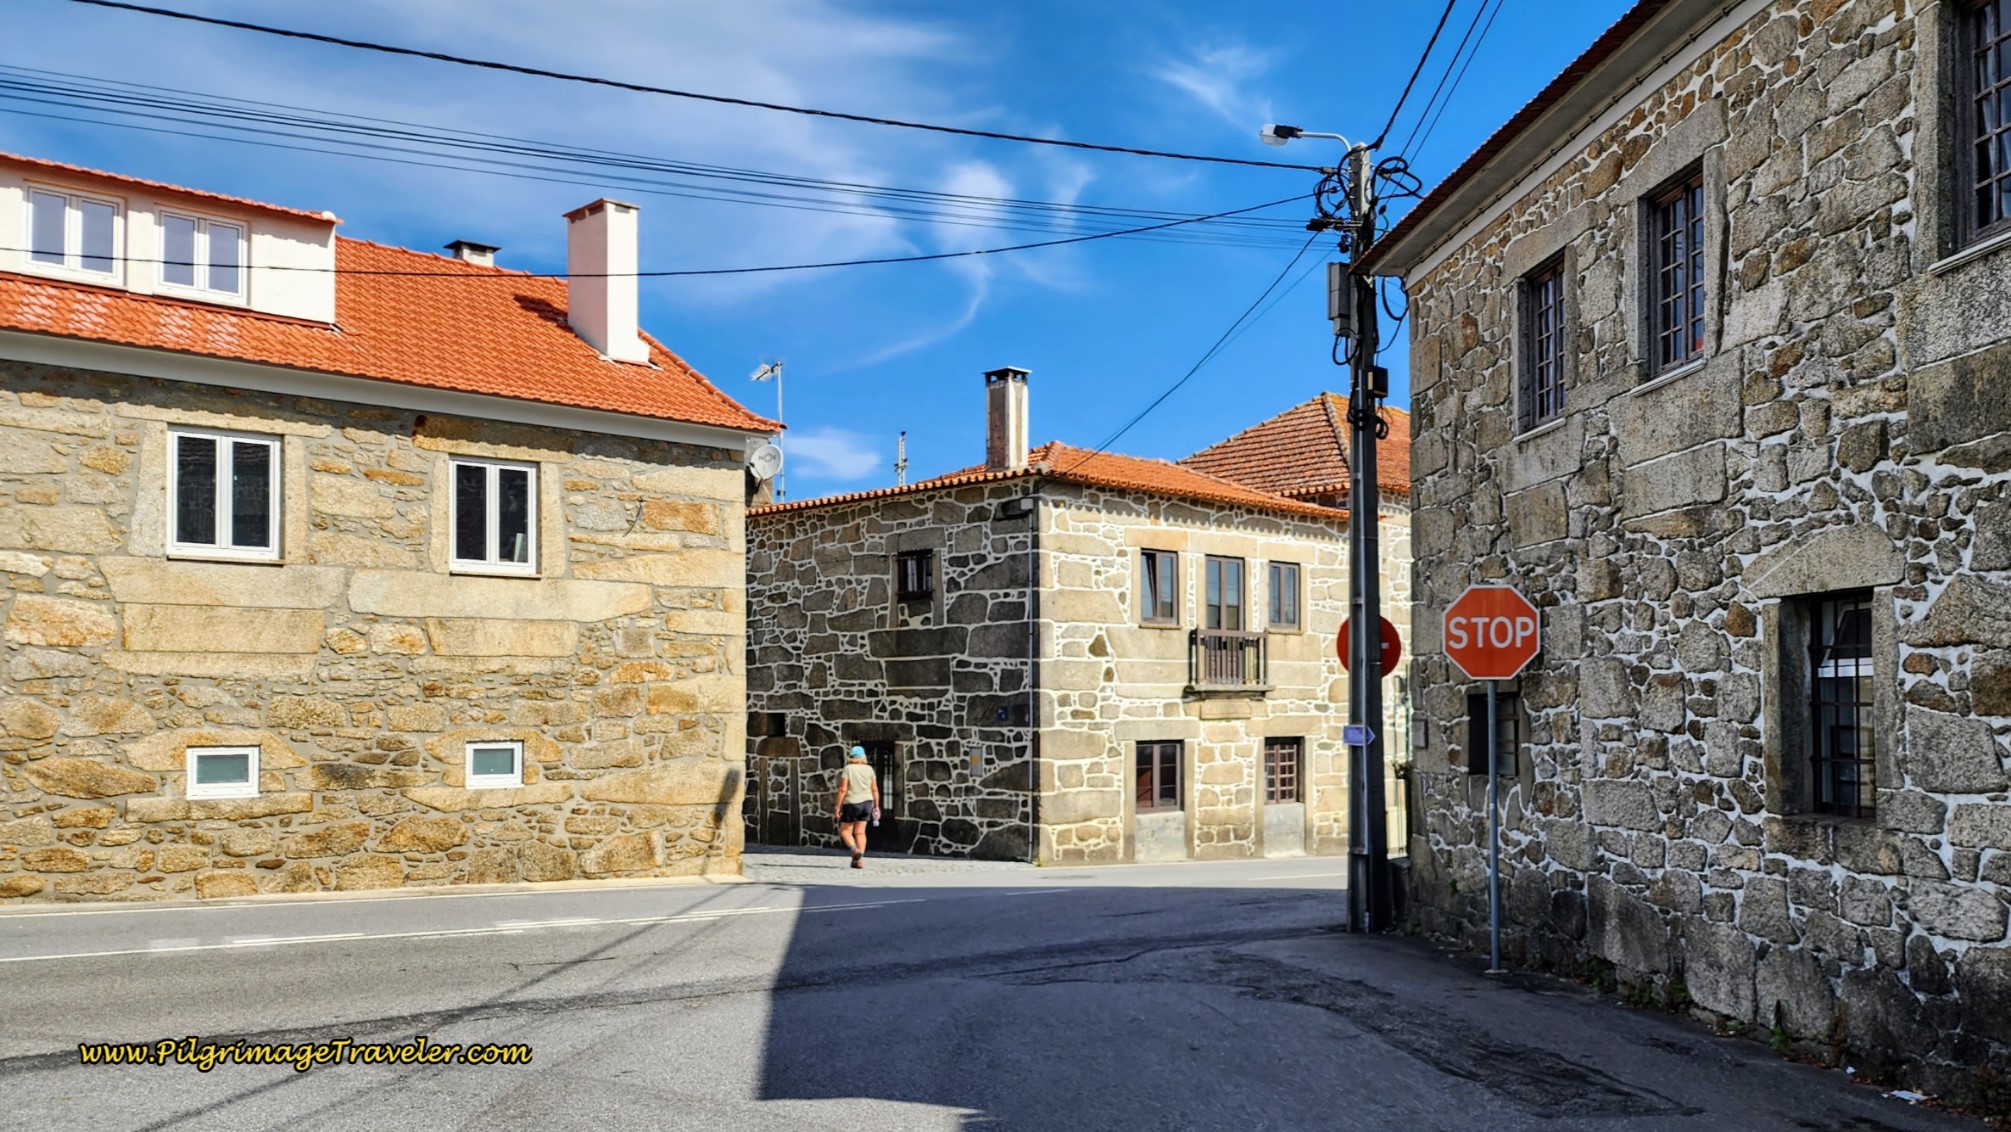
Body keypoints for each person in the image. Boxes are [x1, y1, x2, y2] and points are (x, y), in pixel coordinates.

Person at [833, 746, 881, 869]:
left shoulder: (848, 769)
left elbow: (843, 789)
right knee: (860, 832)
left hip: (852, 803)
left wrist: (837, 807)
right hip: (867, 802)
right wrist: (876, 806)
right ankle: (859, 860)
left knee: (845, 831)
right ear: (863, 757)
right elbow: (874, 789)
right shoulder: (870, 769)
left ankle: (855, 850)